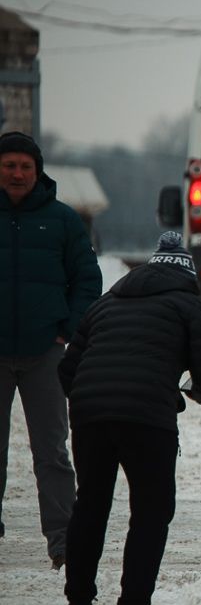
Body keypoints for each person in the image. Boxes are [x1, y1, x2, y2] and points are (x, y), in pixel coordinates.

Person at [59, 231, 201, 605]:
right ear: (188, 274)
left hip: (90, 413)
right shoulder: (190, 304)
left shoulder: (105, 304)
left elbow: (68, 371)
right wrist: (192, 393)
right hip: (147, 419)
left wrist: (95, 398)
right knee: (150, 512)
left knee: (91, 505)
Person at [0, 131, 101, 567]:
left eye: (25, 165)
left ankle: (62, 540)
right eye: (9, 165)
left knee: (53, 452)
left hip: (46, 352)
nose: (17, 173)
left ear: (37, 171)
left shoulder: (62, 220)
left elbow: (87, 280)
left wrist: (69, 330)